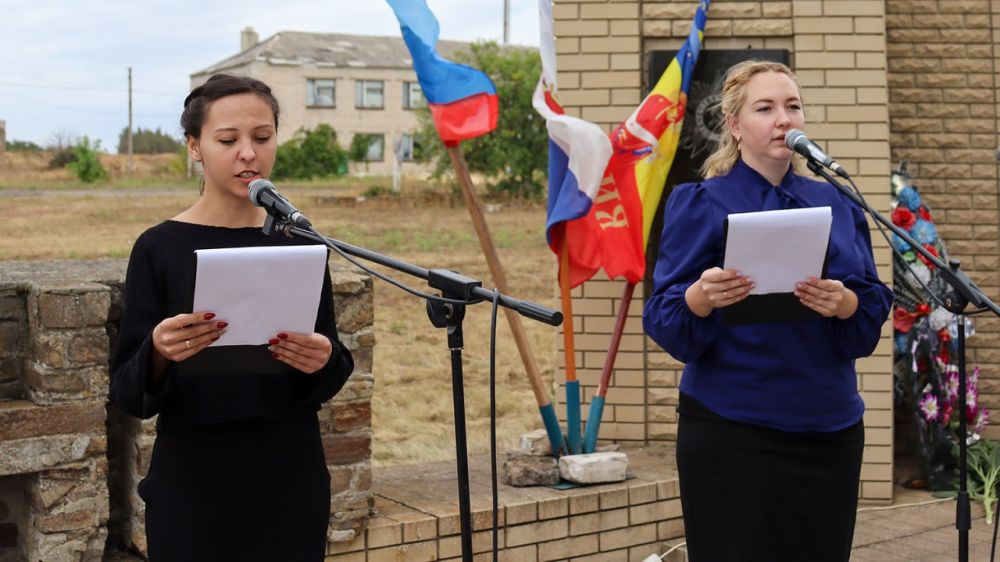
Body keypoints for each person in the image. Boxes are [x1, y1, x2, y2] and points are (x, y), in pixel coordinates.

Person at [642, 60, 893, 561]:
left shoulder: (836, 203)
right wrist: (701, 297)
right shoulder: (701, 203)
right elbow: (665, 317)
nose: (784, 118)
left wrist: (843, 303)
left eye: (792, 106)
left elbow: (867, 312)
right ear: (735, 126)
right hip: (733, 430)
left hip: (830, 431)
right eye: (766, 108)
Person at [109, 74, 355, 562]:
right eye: (228, 139)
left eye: (262, 138)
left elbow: (329, 364)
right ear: (195, 146)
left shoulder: (301, 241)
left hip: (290, 475)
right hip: (193, 479)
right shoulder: (158, 247)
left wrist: (323, 358)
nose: (249, 153)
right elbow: (126, 390)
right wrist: (158, 352)